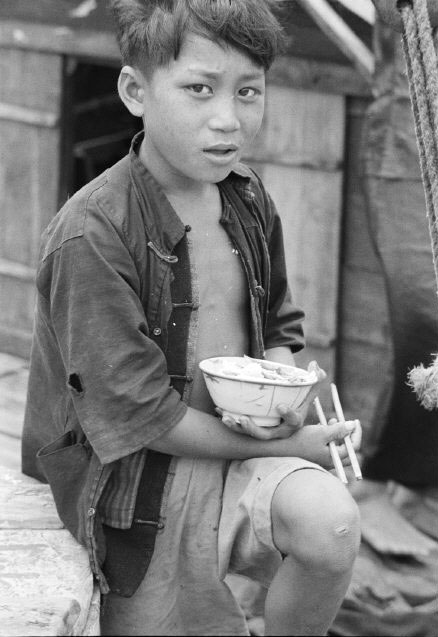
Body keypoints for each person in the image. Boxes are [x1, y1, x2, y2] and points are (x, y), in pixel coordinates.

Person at [21, 1, 362, 635]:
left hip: (237, 448)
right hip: (136, 483)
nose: (227, 120)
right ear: (135, 91)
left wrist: (281, 392)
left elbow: (279, 318)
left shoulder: (248, 197)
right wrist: (296, 445)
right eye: (199, 89)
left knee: (332, 524)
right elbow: (137, 415)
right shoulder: (93, 235)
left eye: (248, 91)